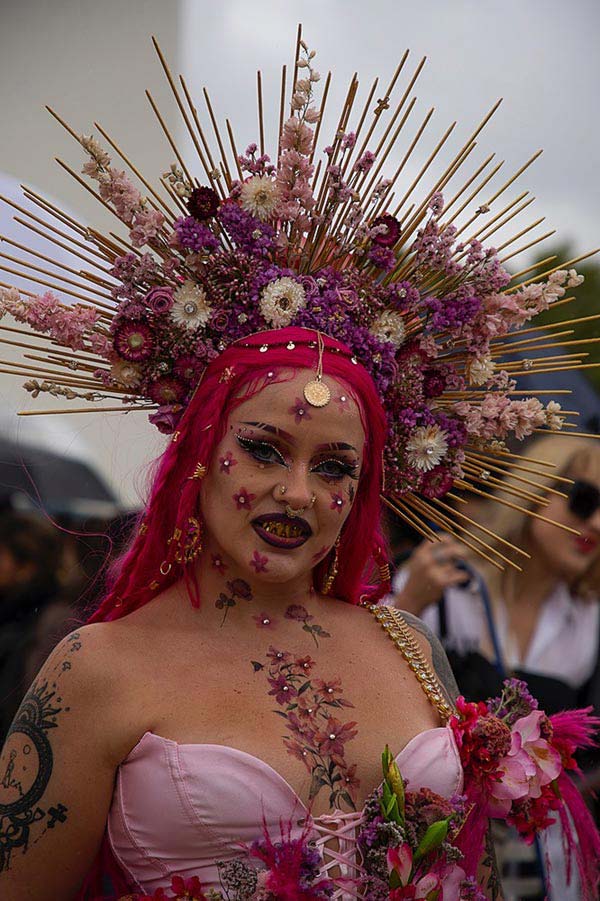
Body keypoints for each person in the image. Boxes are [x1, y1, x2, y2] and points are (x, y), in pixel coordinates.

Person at [1, 32, 599, 901]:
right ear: (200, 451)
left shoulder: (408, 643)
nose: (296, 492)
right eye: (265, 448)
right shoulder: (96, 669)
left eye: (334, 466)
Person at [389, 434, 600, 900]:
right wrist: (407, 604)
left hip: (542, 867)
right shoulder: (443, 581)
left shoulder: (589, 620)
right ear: (534, 489)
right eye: (584, 500)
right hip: (433, 849)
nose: (598, 523)